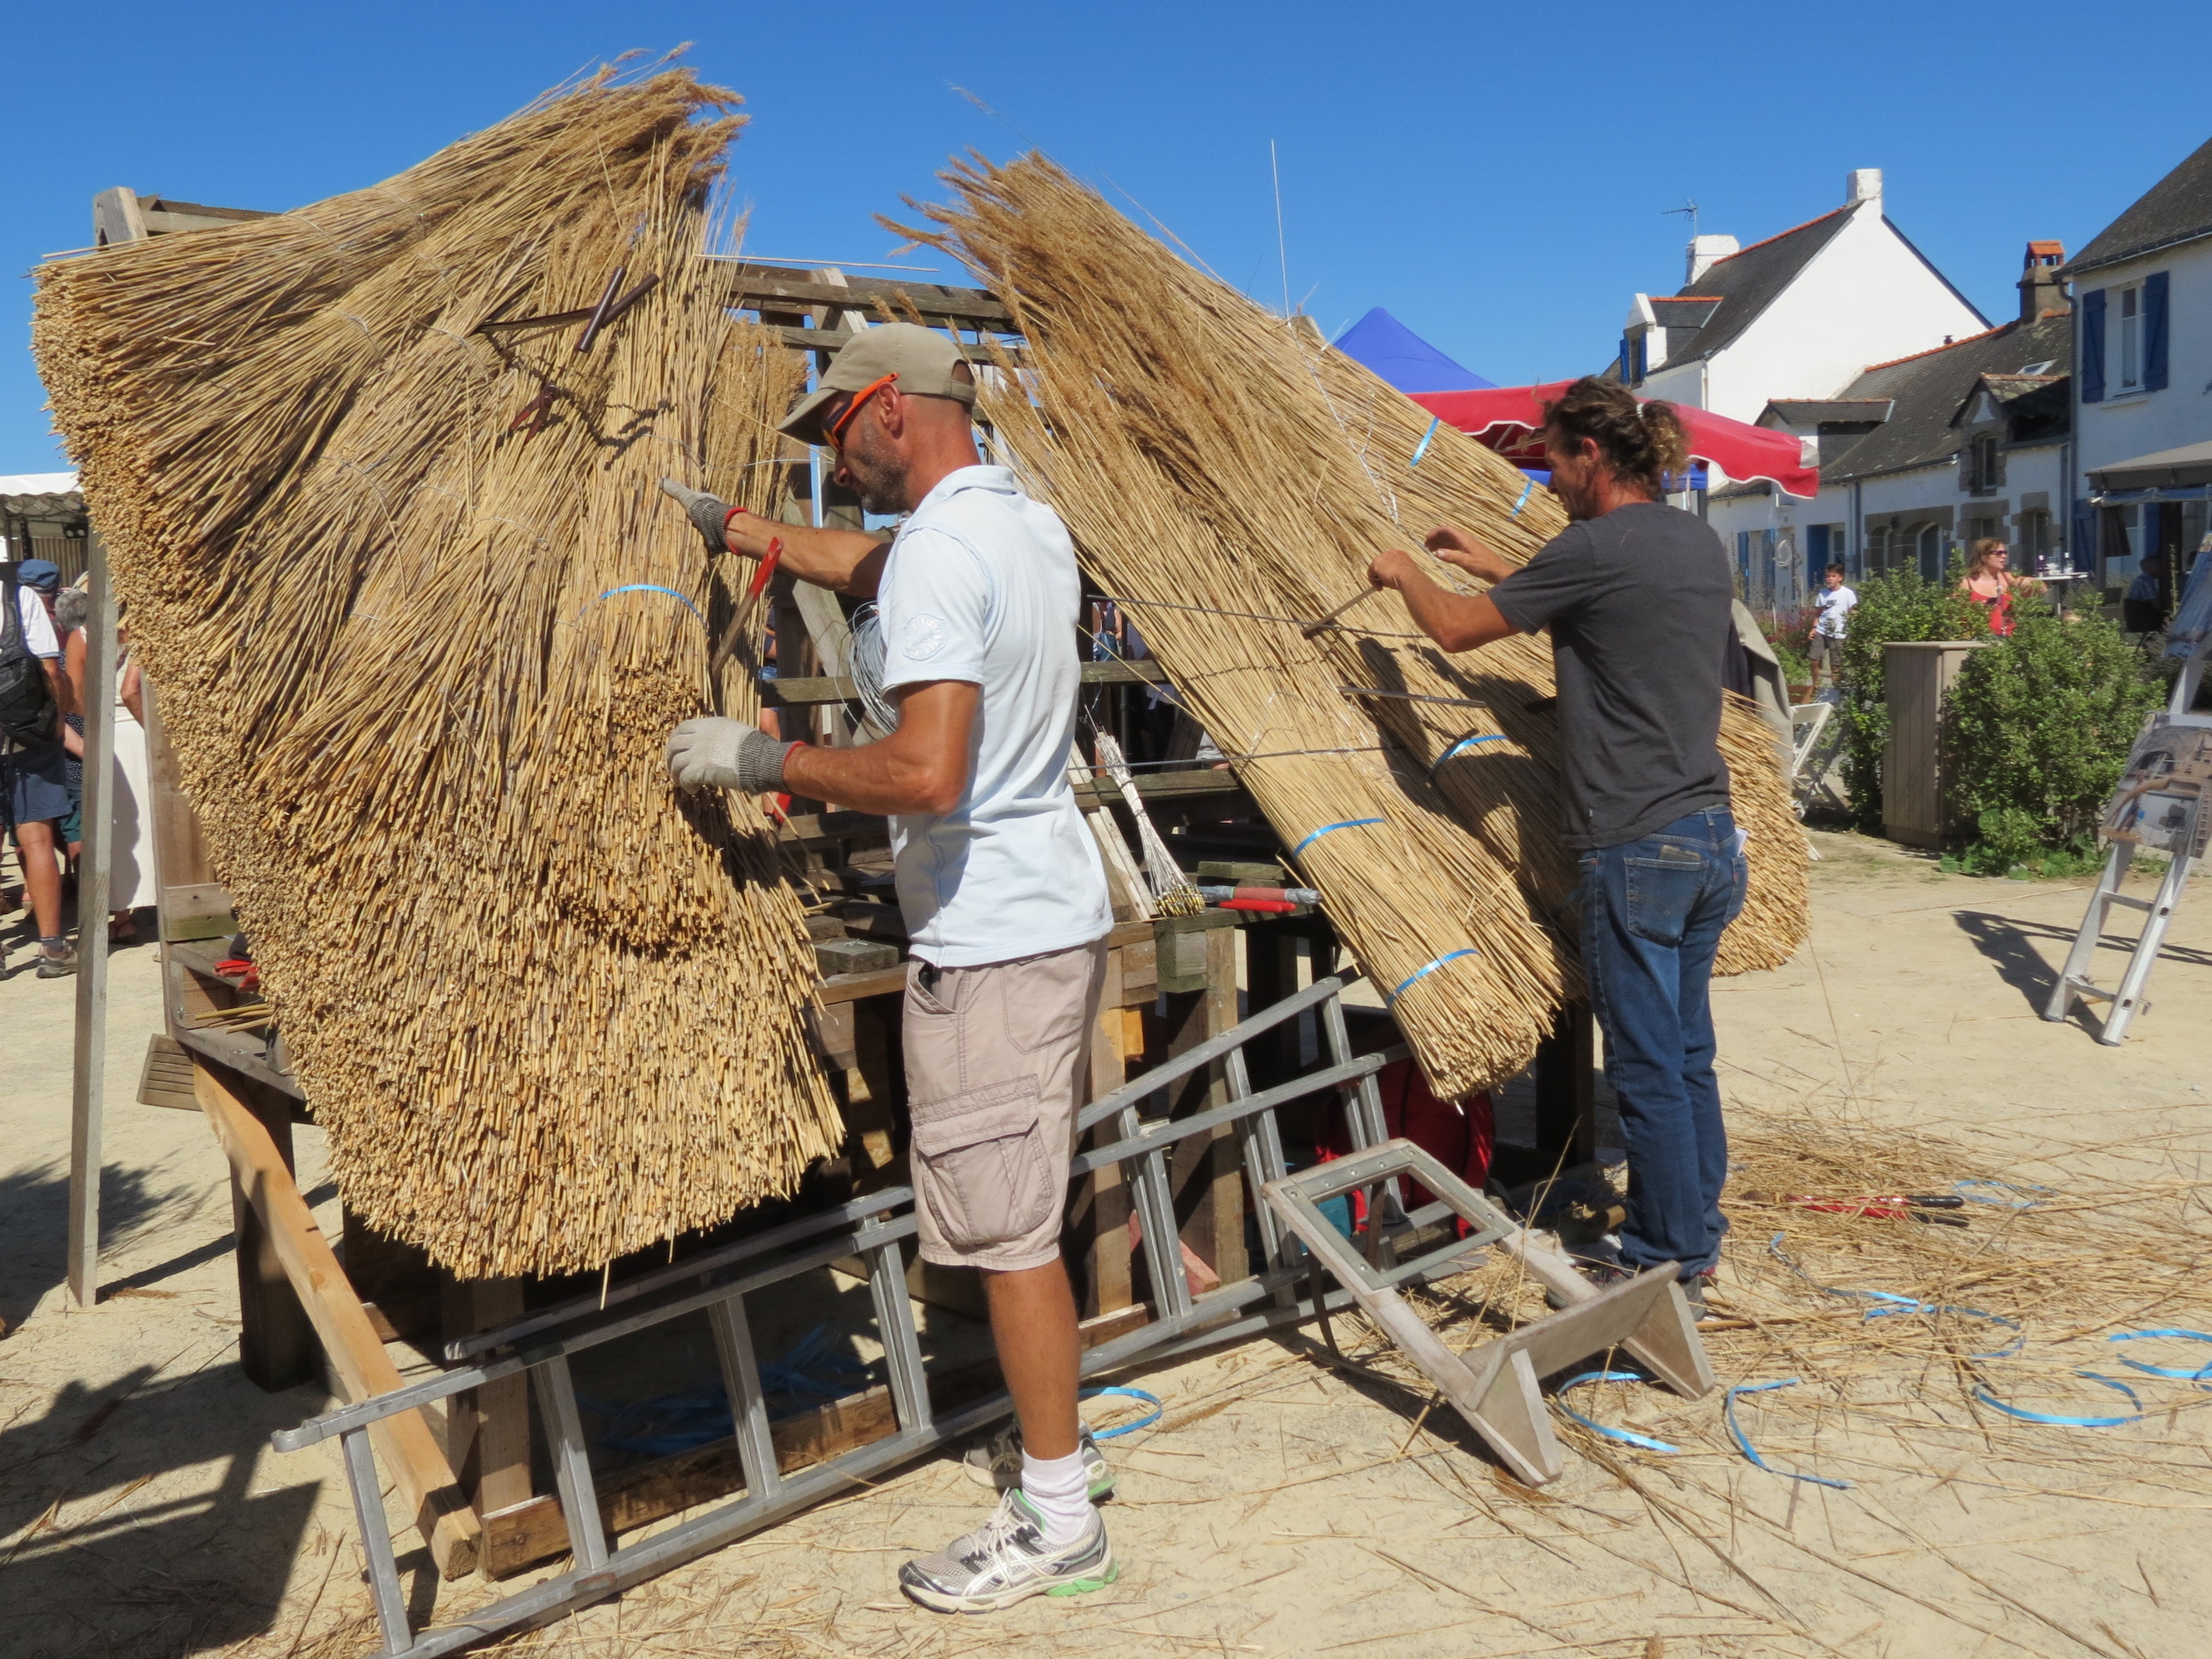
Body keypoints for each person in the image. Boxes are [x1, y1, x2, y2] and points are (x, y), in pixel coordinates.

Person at [658, 324, 1119, 1613]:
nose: (834, 459)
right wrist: (740, 533)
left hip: (991, 942)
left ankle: (1058, 1519)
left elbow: (923, 773)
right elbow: (873, 566)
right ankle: (1062, 1458)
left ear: (888, 410)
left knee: (1006, 1239)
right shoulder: (1023, 528)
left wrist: (766, 762)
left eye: (837, 433)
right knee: (1020, 1213)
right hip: (1047, 913)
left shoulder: (939, 554)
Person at [1364, 376, 1742, 1311]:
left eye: (1555, 460)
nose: (1549, 478)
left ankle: (1661, 1261)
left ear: (1592, 455)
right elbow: (1606, 605)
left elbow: (1455, 631)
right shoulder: (1692, 540)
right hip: (1707, 838)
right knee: (1685, 1054)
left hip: (1635, 845)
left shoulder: (1592, 547)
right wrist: (1499, 567)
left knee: (1645, 1067)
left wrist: (1406, 572)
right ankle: (1697, 1231)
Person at [1, 558, 76, 976]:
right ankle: (53, 950)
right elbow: (50, 667)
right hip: (27, 738)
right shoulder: (18, 597)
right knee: (38, 839)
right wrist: (58, 721)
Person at [1959, 538, 2038, 637]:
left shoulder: (2008, 578)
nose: (2004, 556)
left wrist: (2032, 583)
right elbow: (1958, 614)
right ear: (1984, 556)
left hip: (2010, 638)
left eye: (2005, 552)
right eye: (1998, 553)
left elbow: (2041, 590)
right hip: (1981, 638)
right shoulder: (1967, 583)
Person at [1809, 563, 1855, 685]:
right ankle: (1815, 685)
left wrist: (1852, 629)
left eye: (1833, 576)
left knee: (1836, 666)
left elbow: (1852, 612)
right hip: (1821, 630)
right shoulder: (1823, 593)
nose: (1830, 579)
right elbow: (1818, 613)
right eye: (1828, 576)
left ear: (1840, 577)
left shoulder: (1847, 593)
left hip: (1838, 633)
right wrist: (1814, 628)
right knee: (1813, 659)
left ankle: (1836, 689)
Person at [2123, 552, 2168, 640]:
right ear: (2149, 567)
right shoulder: (2147, 582)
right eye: (2158, 566)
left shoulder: (2139, 580)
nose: (2161, 568)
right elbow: (2156, 604)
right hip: (2145, 619)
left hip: (2137, 618)